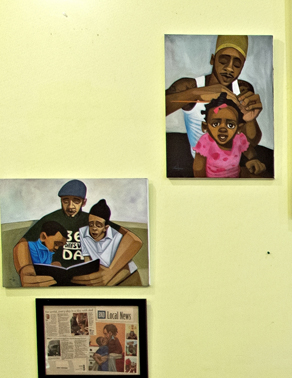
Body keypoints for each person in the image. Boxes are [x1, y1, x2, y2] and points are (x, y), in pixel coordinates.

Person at [165, 36, 264, 176]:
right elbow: (156, 108)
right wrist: (197, 94)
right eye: (223, 60)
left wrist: (250, 120)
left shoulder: (243, 89)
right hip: (201, 165)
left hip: (233, 165)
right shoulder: (189, 86)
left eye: (237, 64)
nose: (229, 68)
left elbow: (250, 142)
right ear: (213, 59)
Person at [11, 179, 88, 287]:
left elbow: (121, 233)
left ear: (84, 202)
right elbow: (22, 243)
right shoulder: (51, 218)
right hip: (53, 280)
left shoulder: (92, 219)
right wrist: (25, 270)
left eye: (76, 201)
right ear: (61, 200)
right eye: (66, 201)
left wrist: (111, 271)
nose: (70, 206)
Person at [193, 94, 266, 178]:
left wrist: (252, 160)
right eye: (215, 124)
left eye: (230, 125)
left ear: (239, 128)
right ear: (205, 127)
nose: (222, 129)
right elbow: (198, 169)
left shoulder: (239, 138)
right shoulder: (205, 141)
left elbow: (249, 151)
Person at [76, 199, 144, 286]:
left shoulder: (117, 237)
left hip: (125, 276)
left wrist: (107, 285)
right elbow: (87, 260)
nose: (94, 228)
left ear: (106, 227)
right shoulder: (83, 232)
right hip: (102, 275)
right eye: (91, 224)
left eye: (98, 225)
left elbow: (126, 268)